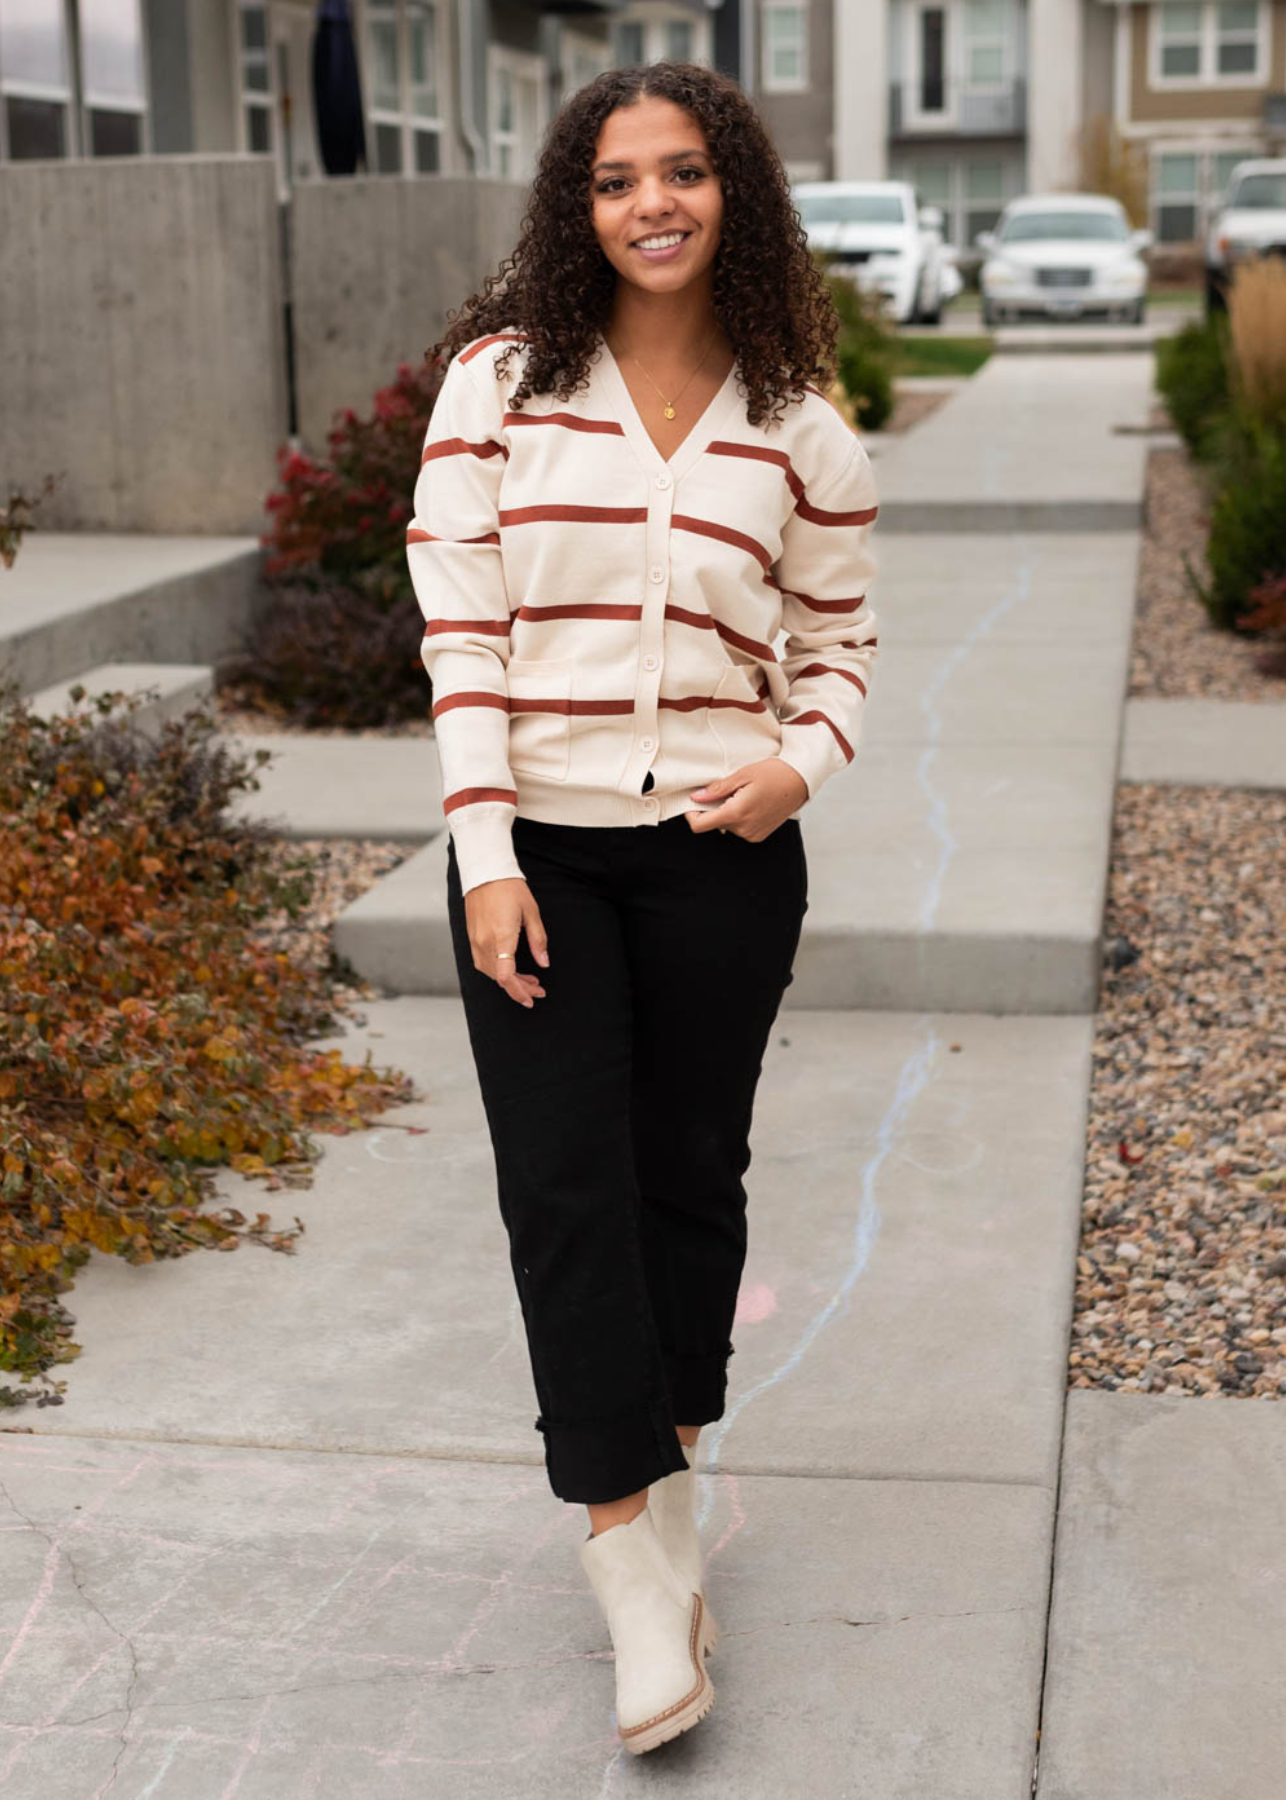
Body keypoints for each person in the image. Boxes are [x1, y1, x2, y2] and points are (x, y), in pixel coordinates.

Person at [407, 60, 879, 1754]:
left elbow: (840, 644)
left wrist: (797, 767)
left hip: (721, 858)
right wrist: (482, 859)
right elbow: (462, 640)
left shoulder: (801, 417)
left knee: (689, 1172)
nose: (652, 204)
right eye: (616, 180)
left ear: (733, 193)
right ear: (576, 206)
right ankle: (625, 1557)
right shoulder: (497, 389)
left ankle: (671, 1465)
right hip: (537, 851)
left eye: (684, 172)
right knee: (563, 1186)